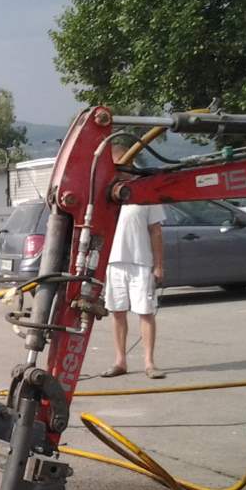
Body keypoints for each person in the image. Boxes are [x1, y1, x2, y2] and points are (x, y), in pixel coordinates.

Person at [103, 141, 166, 379]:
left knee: (145, 312)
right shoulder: (104, 192)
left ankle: (149, 362)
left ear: (129, 162)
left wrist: (158, 265)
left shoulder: (145, 189)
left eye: (120, 163)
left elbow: (156, 231)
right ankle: (120, 361)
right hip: (113, 262)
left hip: (141, 262)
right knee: (117, 312)